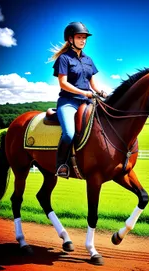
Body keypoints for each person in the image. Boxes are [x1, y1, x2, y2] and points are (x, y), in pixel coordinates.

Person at [50, 22, 107, 178]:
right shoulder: (64, 58)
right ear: (70, 39)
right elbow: (63, 83)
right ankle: (61, 165)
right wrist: (83, 92)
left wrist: (103, 93)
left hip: (87, 102)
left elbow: (93, 84)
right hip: (69, 102)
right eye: (79, 37)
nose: (83, 40)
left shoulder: (89, 59)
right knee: (68, 134)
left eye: (84, 38)